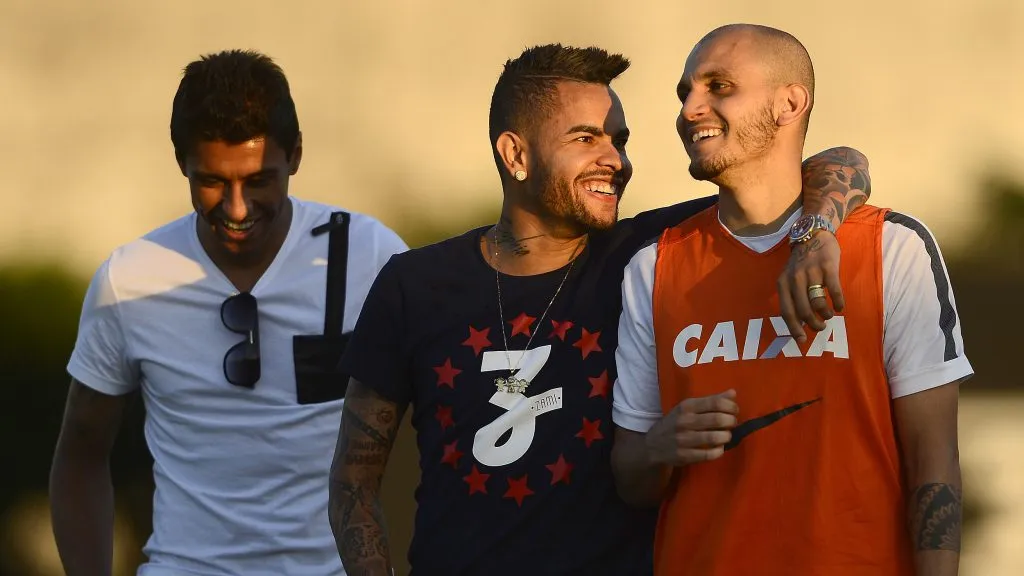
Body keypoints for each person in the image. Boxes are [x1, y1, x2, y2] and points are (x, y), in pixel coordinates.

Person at [328, 43, 872, 575]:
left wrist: (814, 234)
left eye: (619, 140)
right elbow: (355, 477)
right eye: (585, 138)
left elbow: (841, 162)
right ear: (515, 154)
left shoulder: (652, 254)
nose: (614, 160)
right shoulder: (415, 283)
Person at [611, 24, 972, 576]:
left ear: (789, 102)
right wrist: (659, 446)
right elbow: (630, 480)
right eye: (684, 92)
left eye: (719, 86)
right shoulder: (652, 267)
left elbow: (935, 461)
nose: (690, 108)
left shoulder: (891, 247)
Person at [49, 49, 407, 575]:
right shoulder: (128, 280)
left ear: (297, 156)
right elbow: (80, 454)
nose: (237, 209)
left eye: (259, 180)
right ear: (181, 165)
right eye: (212, 181)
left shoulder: (371, 256)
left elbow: (442, 428)